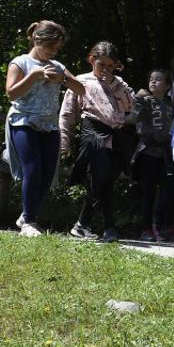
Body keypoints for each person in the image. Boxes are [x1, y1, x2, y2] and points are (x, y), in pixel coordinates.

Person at [6, 20, 85, 236]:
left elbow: (81, 88)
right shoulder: (20, 63)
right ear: (38, 40)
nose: (54, 51)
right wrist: (35, 76)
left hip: (50, 125)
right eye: (52, 47)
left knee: (48, 174)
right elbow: (11, 93)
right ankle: (30, 222)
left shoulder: (57, 65)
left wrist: (63, 79)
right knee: (33, 168)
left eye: (57, 48)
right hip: (24, 122)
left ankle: (26, 214)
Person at [60, 41, 136, 241]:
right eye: (102, 64)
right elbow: (67, 112)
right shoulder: (81, 81)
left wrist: (114, 83)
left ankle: (88, 225)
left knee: (108, 180)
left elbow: (131, 104)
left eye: (110, 66)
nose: (105, 69)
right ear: (92, 60)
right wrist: (64, 140)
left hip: (116, 134)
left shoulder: (119, 83)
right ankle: (101, 225)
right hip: (93, 131)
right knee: (98, 176)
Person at [133, 69, 174, 242]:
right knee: (148, 192)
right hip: (147, 151)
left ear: (167, 86)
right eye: (151, 79)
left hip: (165, 153)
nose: (153, 82)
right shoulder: (143, 100)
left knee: (167, 191)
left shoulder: (170, 104)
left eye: (158, 80)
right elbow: (133, 117)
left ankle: (161, 226)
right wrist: (138, 98)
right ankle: (146, 228)